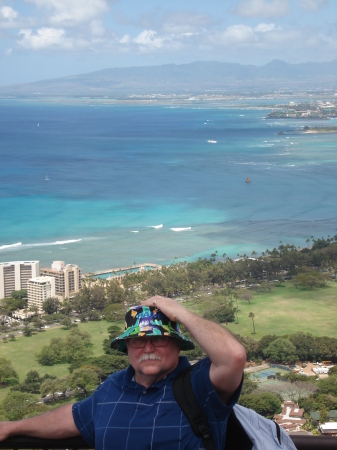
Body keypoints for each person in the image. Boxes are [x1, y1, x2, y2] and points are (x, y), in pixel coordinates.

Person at [0, 296, 246, 449]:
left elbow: (233, 356)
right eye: (138, 341)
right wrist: (13, 427)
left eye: (158, 339)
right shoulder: (113, 387)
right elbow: (75, 417)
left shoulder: (198, 385)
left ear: (177, 344)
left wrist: (178, 311)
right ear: (127, 348)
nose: (148, 348)